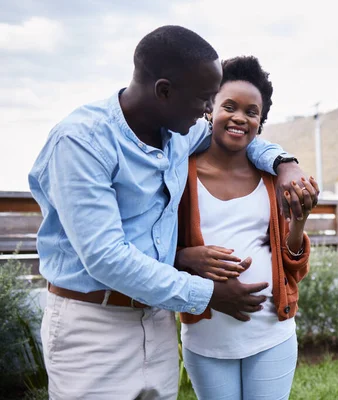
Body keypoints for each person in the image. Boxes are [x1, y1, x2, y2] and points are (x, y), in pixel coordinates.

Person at [28, 26, 317, 400]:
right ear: (164, 91)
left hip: (156, 319)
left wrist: (285, 163)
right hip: (93, 324)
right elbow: (106, 258)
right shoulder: (81, 142)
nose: (208, 110)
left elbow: (242, 138)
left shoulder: (177, 133)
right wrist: (209, 293)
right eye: (204, 99)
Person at [177, 55, 317, 400]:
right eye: (229, 106)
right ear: (210, 108)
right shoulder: (180, 174)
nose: (239, 117)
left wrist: (298, 224)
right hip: (207, 339)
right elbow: (157, 250)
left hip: (272, 333)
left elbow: (294, 265)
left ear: (260, 122)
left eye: (251, 112)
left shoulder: (273, 179)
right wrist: (186, 257)